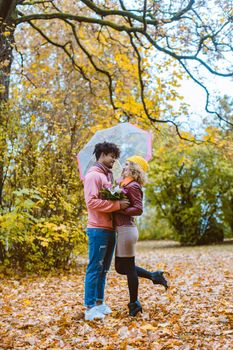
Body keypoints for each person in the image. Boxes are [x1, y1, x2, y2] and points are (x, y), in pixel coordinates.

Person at [114, 155, 169, 316]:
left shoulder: (133, 186)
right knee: (120, 268)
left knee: (129, 268)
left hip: (126, 230)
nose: (123, 167)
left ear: (134, 169)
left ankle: (134, 304)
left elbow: (138, 209)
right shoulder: (125, 184)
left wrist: (118, 209)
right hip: (124, 230)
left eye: (127, 165)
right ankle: (154, 276)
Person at [83, 142, 130, 321]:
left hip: (110, 228)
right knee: (95, 267)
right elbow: (92, 202)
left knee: (104, 269)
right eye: (112, 156)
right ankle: (89, 307)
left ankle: (99, 303)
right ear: (102, 154)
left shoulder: (107, 176)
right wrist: (117, 204)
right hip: (97, 229)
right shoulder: (93, 176)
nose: (114, 160)